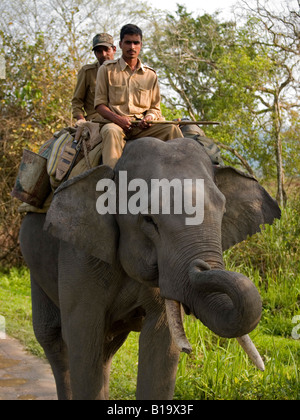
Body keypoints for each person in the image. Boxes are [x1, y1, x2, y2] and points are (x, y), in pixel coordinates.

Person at [94, 24, 183, 168]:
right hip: (116, 126)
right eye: (128, 42)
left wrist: (149, 118)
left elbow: (155, 108)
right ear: (120, 44)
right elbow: (99, 105)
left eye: (136, 43)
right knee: (110, 132)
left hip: (143, 127)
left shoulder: (150, 74)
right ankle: (111, 179)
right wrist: (118, 119)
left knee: (172, 129)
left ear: (141, 45)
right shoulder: (106, 70)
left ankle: (184, 170)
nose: (132, 47)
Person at [72, 33, 117, 124]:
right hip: (97, 120)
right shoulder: (87, 72)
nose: (103, 54)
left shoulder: (123, 71)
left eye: (106, 50)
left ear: (114, 49)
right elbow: (77, 101)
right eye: (99, 51)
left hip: (122, 118)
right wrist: (80, 119)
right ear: (95, 53)